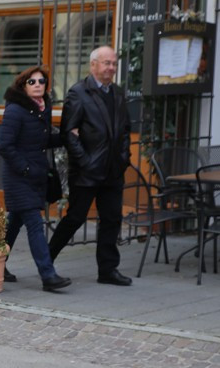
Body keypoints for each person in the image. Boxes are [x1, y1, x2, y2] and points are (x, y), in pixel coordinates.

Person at [47, 46, 133, 286]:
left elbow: (125, 129)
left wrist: (124, 156)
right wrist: (85, 161)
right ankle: (46, 259)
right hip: (86, 171)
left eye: (114, 64)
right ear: (93, 65)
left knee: (111, 219)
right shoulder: (79, 93)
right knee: (75, 217)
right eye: (107, 63)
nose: (111, 68)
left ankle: (108, 270)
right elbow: (69, 133)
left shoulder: (117, 93)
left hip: (113, 169)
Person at [0, 66, 70, 292]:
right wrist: (26, 169)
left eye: (42, 81)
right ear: (23, 85)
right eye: (32, 82)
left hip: (35, 176)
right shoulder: (15, 111)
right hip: (19, 178)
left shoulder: (40, 109)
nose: (38, 85)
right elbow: (5, 147)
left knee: (14, 224)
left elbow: (41, 140)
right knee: (35, 224)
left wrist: (66, 137)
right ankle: (48, 275)